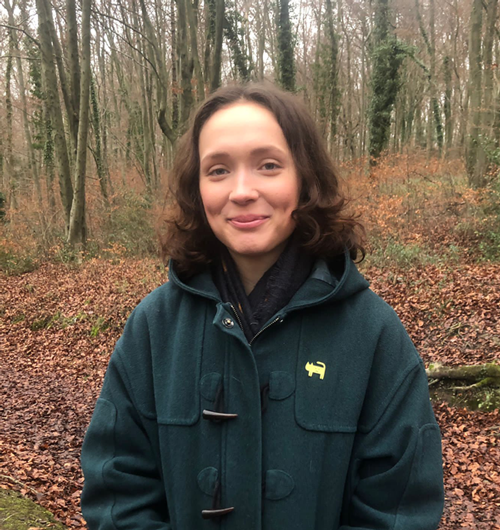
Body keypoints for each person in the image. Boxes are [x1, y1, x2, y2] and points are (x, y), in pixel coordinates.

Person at [80, 82, 444, 530]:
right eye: (217, 171)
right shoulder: (155, 327)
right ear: (198, 190)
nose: (242, 191)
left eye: (268, 165)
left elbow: (399, 508)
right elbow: (117, 490)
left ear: (305, 177)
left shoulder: (372, 333)